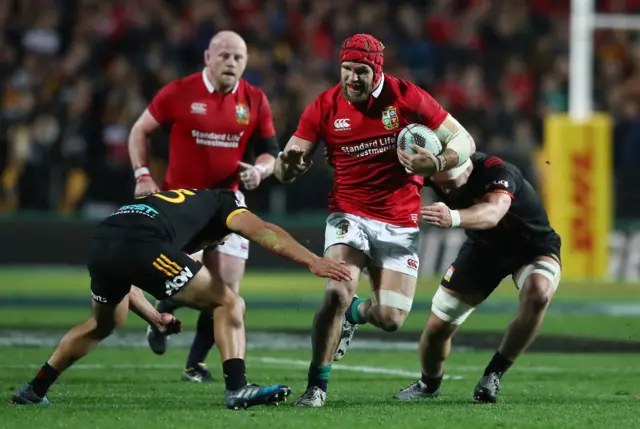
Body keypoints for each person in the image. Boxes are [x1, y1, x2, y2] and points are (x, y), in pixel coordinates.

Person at [273, 33, 476, 407]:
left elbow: (464, 141)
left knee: (390, 318)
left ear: (377, 71)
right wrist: (287, 165)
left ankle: (356, 313)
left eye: (361, 71)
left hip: (399, 219)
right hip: (348, 213)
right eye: (346, 69)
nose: (352, 78)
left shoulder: (406, 97)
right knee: (336, 291)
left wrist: (437, 161)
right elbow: (288, 165)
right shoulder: (324, 105)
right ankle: (316, 386)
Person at [10, 188, 352, 409]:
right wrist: (313, 259)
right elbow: (263, 230)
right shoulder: (225, 202)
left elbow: (130, 271)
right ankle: (237, 388)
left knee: (103, 323)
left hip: (104, 241)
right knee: (229, 302)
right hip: (143, 242)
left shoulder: (178, 205)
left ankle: (34, 390)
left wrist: (155, 318)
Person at [128, 31, 280, 382]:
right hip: (179, 205)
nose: (231, 62)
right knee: (182, 282)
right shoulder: (179, 92)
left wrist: (260, 170)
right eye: (224, 55)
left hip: (226, 203)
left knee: (226, 290)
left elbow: (271, 151)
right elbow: (140, 130)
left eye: (238, 57)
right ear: (208, 58)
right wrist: (142, 174)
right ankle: (161, 311)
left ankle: (194, 365)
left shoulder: (255, 99)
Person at [393, 152, 561, 403]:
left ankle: (493, 374)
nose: (446, 188)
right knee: (438, 328)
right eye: (442, 182)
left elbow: (493, 213)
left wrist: (454, 217)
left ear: (468, 169)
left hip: (532, 246)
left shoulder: (499, 172)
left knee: (538, 294)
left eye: (451, 181)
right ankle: (429, 383)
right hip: (484, 250)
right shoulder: (434, 173)